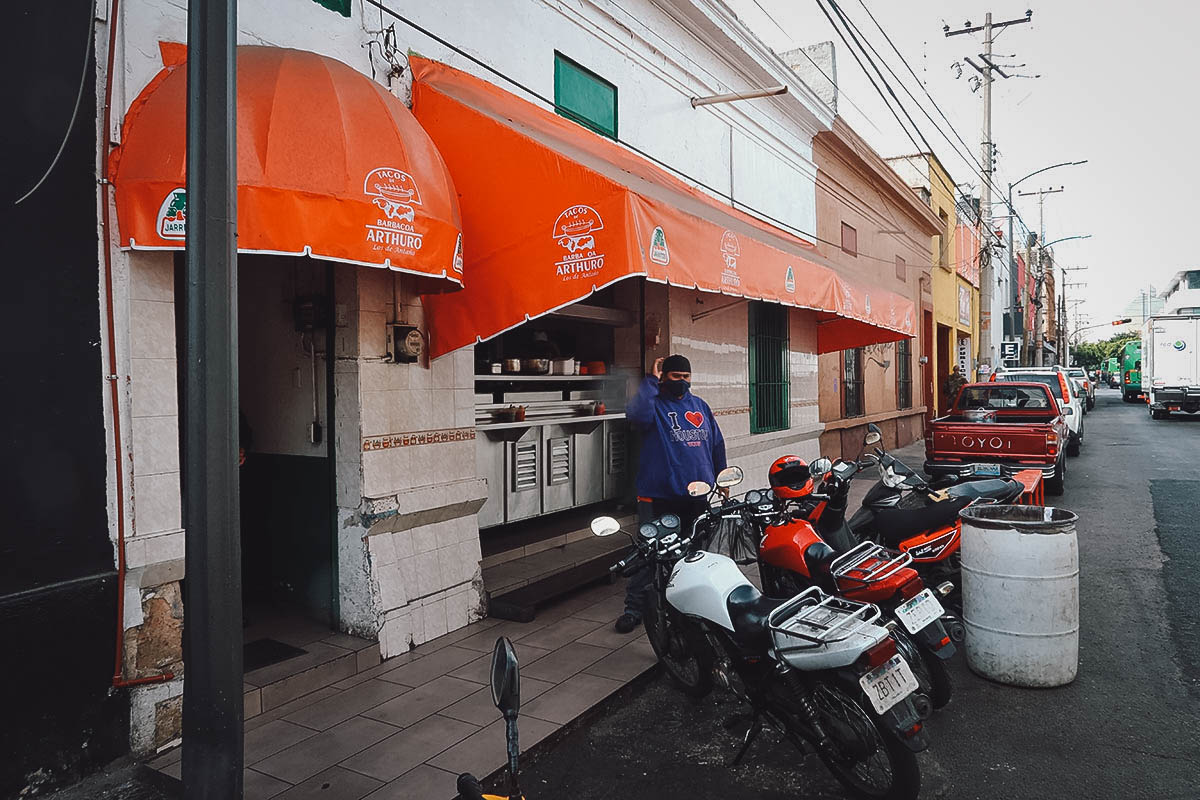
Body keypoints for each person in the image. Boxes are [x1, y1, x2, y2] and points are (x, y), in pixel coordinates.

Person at [615, 354, 727, 633]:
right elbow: (636, 415)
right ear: (665, 377)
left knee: (694, 552)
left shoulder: (700, 406)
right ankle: (634, 609)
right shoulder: (653, 407)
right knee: (648, 553)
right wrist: (651, 380)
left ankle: (688, 604)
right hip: (658, 496)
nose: (682, 383)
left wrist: (721, 476)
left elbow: (716, 443)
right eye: (676, 377)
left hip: (697, 496)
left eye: (686, 378)